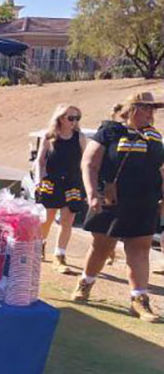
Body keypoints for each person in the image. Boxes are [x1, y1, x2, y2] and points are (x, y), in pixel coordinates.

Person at [71, 91, 164, 322]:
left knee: (140, 249)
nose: (151, 113)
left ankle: (139, 300)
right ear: (132, 109)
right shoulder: (109, 131)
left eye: (153, 108)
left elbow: (162, 169)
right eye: (146, 107)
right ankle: (85, 282)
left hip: (145, 201)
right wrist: (92, 193)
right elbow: (89, 164)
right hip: (110, 199)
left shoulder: (154, 137)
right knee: (102, 246)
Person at [34, 103, 86, 273]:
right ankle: (40, 244)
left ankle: (60, 255)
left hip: (72, 183)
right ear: (60, 118)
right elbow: (40, 161)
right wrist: (38, 181)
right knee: (47, 218)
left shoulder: (80, 137)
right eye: (71, 118)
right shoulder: (49, 137)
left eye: (77, 118)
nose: (74, 121)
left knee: (67, 219)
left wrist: (88, 184)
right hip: (52, 182)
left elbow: (86, 162)